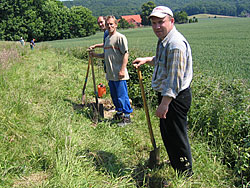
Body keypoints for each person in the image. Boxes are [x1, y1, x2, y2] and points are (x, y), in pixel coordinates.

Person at [133, 6, 193, 177]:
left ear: (171, 21)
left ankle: (185, 173)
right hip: (168, 96)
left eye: (161, 22)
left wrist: (164, 104)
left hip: (174, 97)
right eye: (154, 23)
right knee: (168, 134)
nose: (157, 27)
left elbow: (175, 79)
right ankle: (176, 164)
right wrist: (146, 60)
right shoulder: (165, 40)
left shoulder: (175, 44)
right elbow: (162, 61)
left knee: (176, 136)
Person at [90, 15, 133, 126]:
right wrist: (94, 55)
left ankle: (127, 117)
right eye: (108, 24)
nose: (109, 26)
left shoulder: (120, 37)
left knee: (122, 95)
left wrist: (122, 70)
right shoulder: (107, 39)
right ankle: (119, 113)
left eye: (111, 24)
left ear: (116, 25)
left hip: (119, 73)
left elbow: (126, 54)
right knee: (114, 95)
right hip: (110, 74)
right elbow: (105, 55)